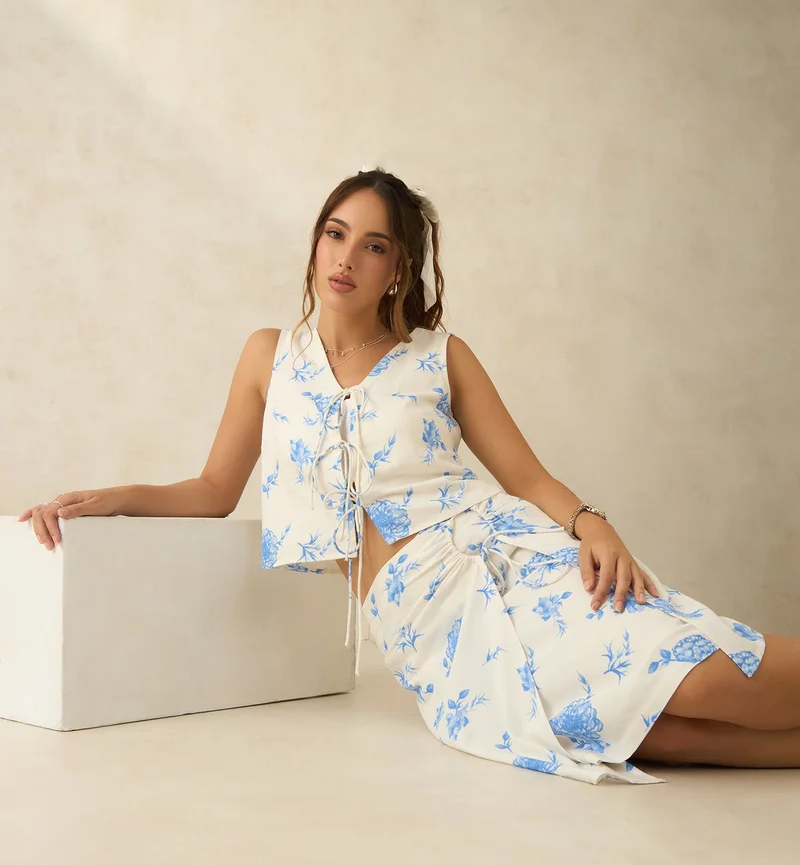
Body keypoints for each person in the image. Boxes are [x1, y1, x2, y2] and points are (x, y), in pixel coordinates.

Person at [18, 166, 800, 783]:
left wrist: (594, 524)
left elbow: (526, 477)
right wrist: (109, 499)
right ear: (315, 243)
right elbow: (213, 492)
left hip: (509, 565)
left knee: (696, 681)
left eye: (373, 245)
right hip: (422, 626)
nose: (346, 257)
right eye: (335, 234)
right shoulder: (268, 357)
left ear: (399, 268)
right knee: (632, 730)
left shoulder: (439, 356)